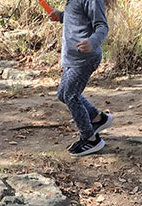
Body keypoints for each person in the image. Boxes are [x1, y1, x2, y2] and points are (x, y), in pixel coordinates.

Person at [49, 0, 113, 156]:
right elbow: (78, 17)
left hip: (85, 58)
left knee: (71, 96)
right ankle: (98, 119)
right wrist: (62, 16)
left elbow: (102, 26)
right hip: (72, 58)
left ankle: (91, 140)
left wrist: (92, 42)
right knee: (63, 95)